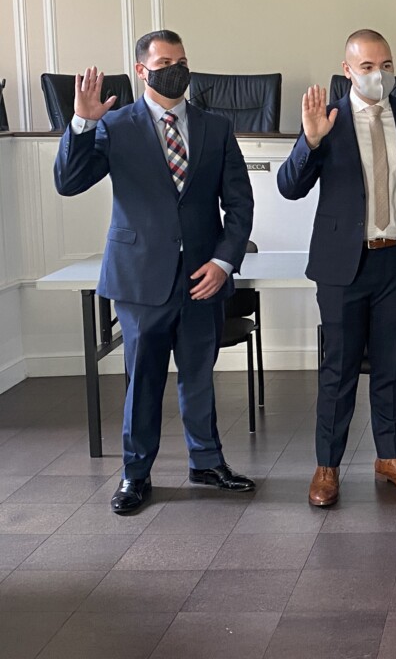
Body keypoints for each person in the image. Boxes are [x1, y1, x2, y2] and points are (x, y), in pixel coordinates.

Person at [54, 29, 256, 514]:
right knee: (142, 380)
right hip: (140, 277)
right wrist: (81, 122)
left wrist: (224, 262)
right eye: (166, 61)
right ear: (142, 70)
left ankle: (207, 462)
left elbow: (240, 203)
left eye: (182, 60)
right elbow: (69, 181)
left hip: (203, 277)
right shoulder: (114, 124)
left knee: (198, 377)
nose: (177, 69)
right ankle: (135, 475)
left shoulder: (216, 127)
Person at [278, 29, 396, 507]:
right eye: (368, 66)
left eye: (387, 65)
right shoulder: (326, 119)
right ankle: (327, 466)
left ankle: (390, 456)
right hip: (342, 267)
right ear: (347, 70)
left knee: (390, 366)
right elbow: (289, 187)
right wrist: (310, 142)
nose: (380, 75)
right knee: (337, 370)